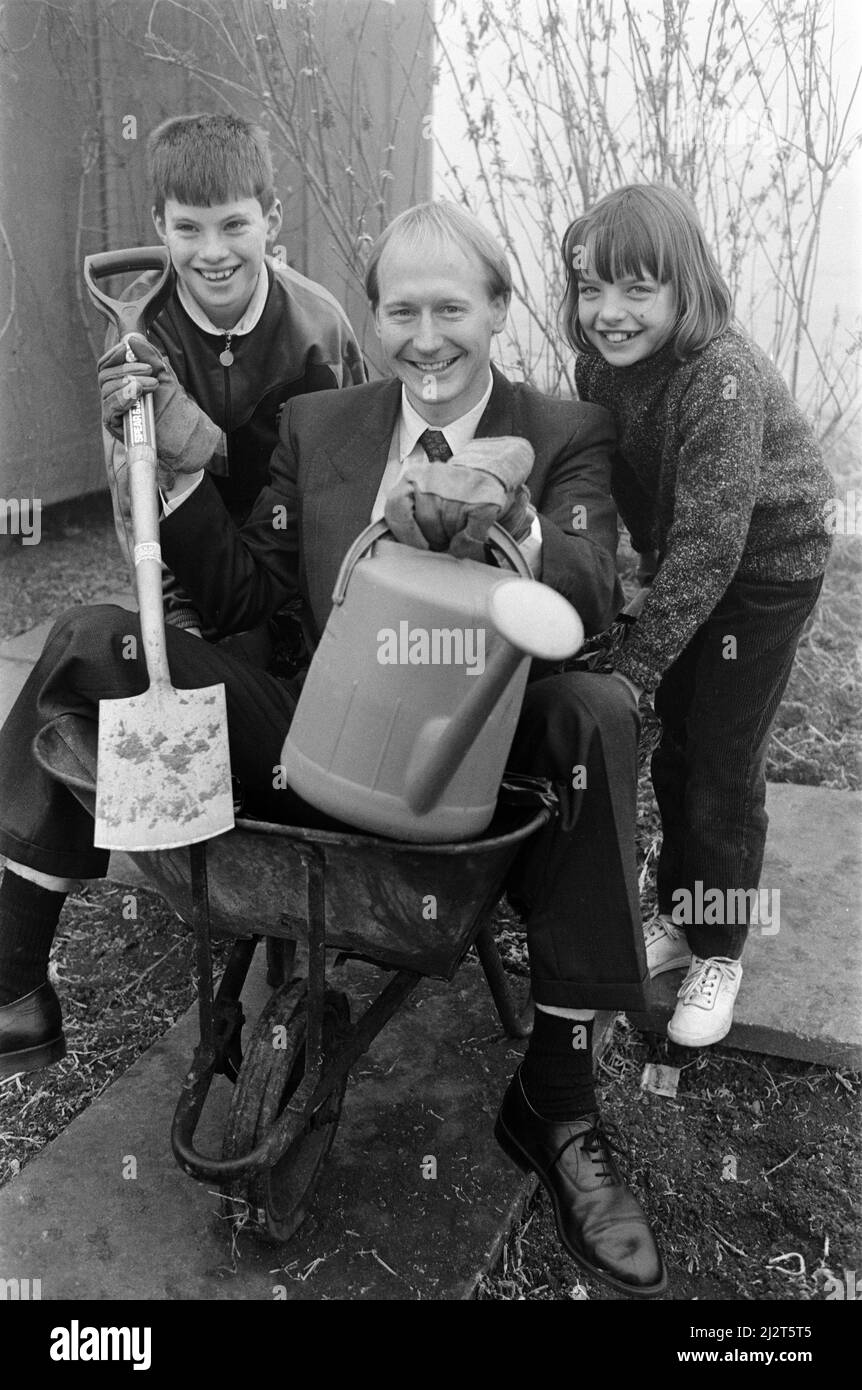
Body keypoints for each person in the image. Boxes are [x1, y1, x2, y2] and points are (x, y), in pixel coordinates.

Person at [0, 201, 665, 1298]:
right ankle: (17, 977)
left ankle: (557, 1099)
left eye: (451, 306)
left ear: (498, 311)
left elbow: (591, 593)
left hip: (473, 766)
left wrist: (522, 524)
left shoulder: (564, 430)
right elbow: (251, 596)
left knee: (594, 706)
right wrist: (172, 480)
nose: (426, 334)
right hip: (317, 739)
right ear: (374, 319)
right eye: (400, 309)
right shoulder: (321, 425)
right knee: (87, 640)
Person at [560, 183, 833, 1048]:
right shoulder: (600, 366)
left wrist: (636, 668)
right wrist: (631, 591)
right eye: (590, 287)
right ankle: (682, 911)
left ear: (686, 287)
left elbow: (714, 546)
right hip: (690, 560)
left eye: (636, 289)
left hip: (766, 571)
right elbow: (637, 494)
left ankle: (721, 948)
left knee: (720, 755)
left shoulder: (721, 379)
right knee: (677, 745)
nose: (609, 312)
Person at [98, 112, 366, 642]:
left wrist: (331, 607)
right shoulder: (139, 333)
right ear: (160, 225)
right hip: (196, 572)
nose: (213, 252)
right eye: (188, 228)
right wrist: (176, 617)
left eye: (234, 224)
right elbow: (136, 491)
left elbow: (353, 475)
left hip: (301, 574)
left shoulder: (320, 326)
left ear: (271, 218)